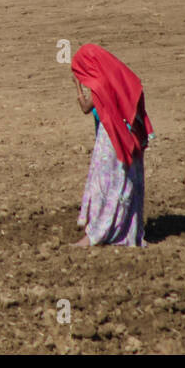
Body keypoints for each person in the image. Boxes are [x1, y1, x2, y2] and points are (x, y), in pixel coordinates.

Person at [71, 43, 153, 247]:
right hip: (128, 138)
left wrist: (78, 86)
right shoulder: (119, 78)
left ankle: (96, 234)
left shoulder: (100, 87)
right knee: (126, 186)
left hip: (111, 143)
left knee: (105, 185)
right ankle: (126, 231)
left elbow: (85, 108)